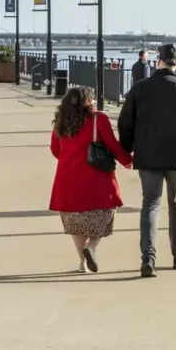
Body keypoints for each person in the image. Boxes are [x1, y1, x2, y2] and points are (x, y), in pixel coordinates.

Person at [118, 44, 176, 278]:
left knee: (150, 204)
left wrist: (126, 150)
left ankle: (147, 259)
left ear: (157, 62)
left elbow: (126, 123)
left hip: (148, 157)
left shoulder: (140, 89)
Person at [49, 87, 132, 274]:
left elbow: (55, 149)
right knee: (104, 214)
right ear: (89, 102)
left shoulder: (61, 121)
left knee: (76, 224)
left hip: (67, 178)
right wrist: (127, 161)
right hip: (96, 178)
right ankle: (92, 247)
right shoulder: (98, 119)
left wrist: (69, 160)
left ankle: (82, 264)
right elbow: (112, 144)